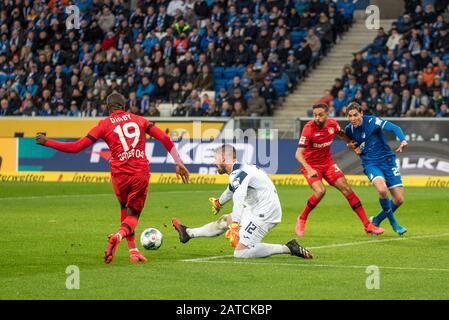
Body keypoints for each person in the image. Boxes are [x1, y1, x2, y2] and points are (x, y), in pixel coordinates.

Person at [35, 93, 190, 263]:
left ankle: (133, 251)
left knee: (124, 208)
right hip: (139, 173)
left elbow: (76, 147)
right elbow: (164, 138)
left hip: (118, 175)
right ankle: (118, 236)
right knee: (133, 215)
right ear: (124, 107)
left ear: (108, 107)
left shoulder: (103, 124)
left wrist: (47, 142)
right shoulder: (140, 120)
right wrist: (178, 162)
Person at [172, 144, 313, 260]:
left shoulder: (238, 173)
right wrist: (219, 202)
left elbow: (238, 197)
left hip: (265, 213)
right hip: (256, 208)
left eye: (215, 159)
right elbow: (232, 188)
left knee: (241, 253)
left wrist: (235, 224)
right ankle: (188, 233)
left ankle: (288, 247)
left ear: (223, 157)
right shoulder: (240, 169)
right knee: (224, 220)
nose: (214, 163)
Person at [295, 103, 384, 237]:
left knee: (347, 189)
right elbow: (298, 154)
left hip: (327, 163)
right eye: (315, 115)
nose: (317, 118)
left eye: (320, 115)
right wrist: (309, 169)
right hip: (311, 165)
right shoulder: (308, 129)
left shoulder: (332, 124)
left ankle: (368, 225)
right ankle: (302, 218)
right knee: (320, 191)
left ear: (327, 114)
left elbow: (342, 134)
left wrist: (352, 145)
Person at [345, 102, 408, 235]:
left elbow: (394, 128)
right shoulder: (349, 129)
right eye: (349, 116)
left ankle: (376, 220)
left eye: (355, 115)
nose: (352, 119)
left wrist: (402, 140)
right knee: (382, 190)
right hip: (371, 164)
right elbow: (352, 144)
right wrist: (352, 147)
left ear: (361, 113)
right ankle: (394, 223)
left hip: (388, 161)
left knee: (399, 200)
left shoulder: (373, 121)